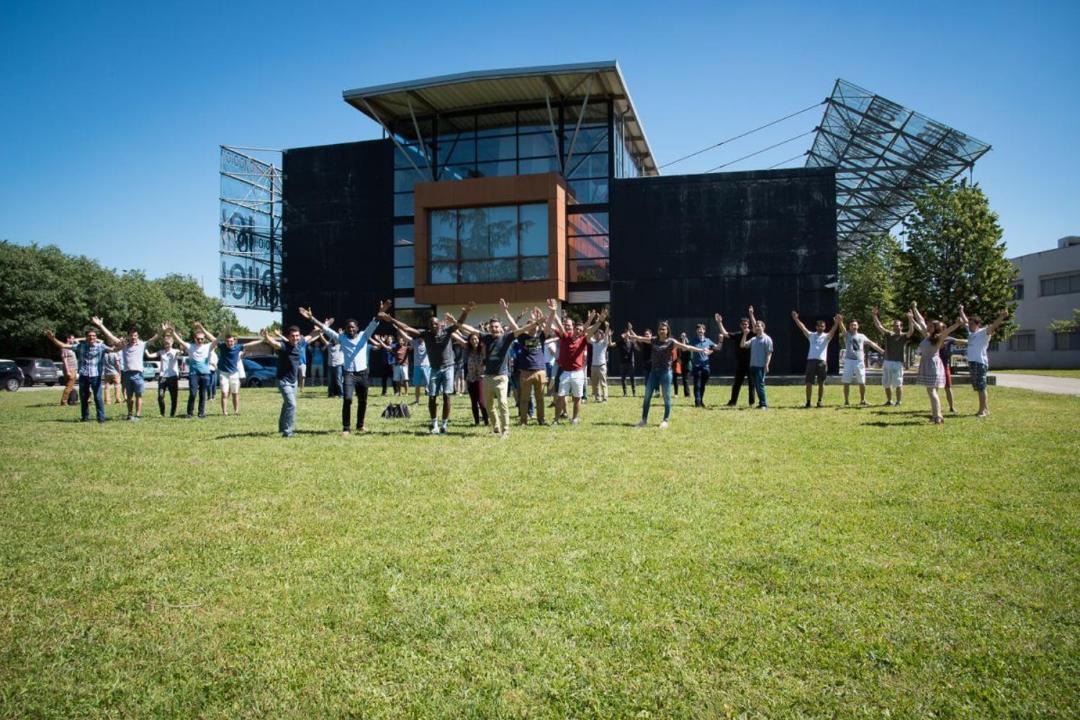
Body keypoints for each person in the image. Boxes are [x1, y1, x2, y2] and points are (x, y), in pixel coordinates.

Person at [383, 303, 473, 434]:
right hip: (434, 369)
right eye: (431, 324)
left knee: (447, 395)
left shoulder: (447, 332)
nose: (433, 326)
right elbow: (407, 328)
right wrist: (391, 319)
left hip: (448, 367)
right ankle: (434, 424)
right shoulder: (426, 335)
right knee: (432, 396)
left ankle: (444, 425)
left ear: (440, 325)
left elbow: (458, 324)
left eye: (435, 323)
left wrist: (466, 312)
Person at [301, 304, 388, 436]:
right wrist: (312, 318)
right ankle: (346, 428)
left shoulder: (364, 336)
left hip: (363, 373)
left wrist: (381, 312)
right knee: (347, 399)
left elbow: (374, 323)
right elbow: (326, 329)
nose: (351, 329)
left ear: (357, 328)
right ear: (346, 329)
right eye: (348, 327)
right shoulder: (341, 338)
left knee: (363, 400)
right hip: (349, 374)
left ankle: (360, 425)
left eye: (353, 327)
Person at [625, 321, 710, 427]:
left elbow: (686, 347)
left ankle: (665, 420)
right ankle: (644, 420)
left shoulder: (671, 341)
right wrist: (630, 333)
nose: (661, 331)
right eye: (660, 329)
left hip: (666, 373)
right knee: (647, 396)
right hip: (653, 372)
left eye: (664, 329)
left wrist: (701, 350)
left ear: (667, 331)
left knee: (666, 397)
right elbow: (640, 338)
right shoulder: (654, 340)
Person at [545, 301, 607, 425]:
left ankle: (575, 418)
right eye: (577, 329)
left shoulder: (583, 339)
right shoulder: (565, 337)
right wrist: (553, 312)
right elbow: (558, 325)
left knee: (577, 398)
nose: (578, 331)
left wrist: (599, 321)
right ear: (573, 329)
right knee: (560, 397)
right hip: (565, 373)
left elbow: (592, 329)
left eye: (580, 330)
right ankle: (556, 419)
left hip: (578, 373)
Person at [92, 318, 160, 421]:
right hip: (127, 374)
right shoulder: (124, 345)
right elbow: (111, 337)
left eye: (135, 335)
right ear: (128, 336)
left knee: (139, 395)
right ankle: (130, 414)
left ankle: (137, 415)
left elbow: (154, 339)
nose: (133, 337)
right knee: (129, 397)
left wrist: (162, 331)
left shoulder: (142, 344)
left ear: (138, 336)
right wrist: (101, 325)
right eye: (132, 335)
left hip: (138, 374)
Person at [45, 324, 109, 422]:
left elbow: (114, 349)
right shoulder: (80, 346)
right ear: (86, 337)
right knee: (84, 397)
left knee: (98, 397)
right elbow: (63, 345)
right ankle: (85, 417)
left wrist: (123, 344)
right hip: (84, 375)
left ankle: (101, 418)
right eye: (90, 336)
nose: (92, 337)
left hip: (96, 375)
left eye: (94, 336)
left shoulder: (101, 346)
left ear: (96, 337)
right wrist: (53, 339)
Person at [912, 310, 965, 424]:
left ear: (935, 328)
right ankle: (936, 414)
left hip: (932, 364)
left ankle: (937, 417)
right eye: (928, 325)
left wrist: (957, 324)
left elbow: (948, 331)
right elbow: (920, 322)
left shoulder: (939, 337)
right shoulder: (927, 336)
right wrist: (913, 314)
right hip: (928, 364)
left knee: (931, 391)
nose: (928, 326)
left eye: (931, 326)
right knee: (933, 391)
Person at [959, 304, 1010, 418]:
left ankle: (982, 411)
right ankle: (986, 409)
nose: (969, 325)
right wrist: (961, 310)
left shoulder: (983, 332)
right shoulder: (971, 333)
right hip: (973, 362)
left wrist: (1002, 317)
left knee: (981, 388)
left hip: (979, 363)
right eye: (970, 323)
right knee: (978, 387)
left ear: (978, 324)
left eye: (972, 323)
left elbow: (993, 326)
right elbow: (964, 320)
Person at [260, 326, 305, 437]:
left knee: (287, 405)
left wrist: (323, 327)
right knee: (292, 404)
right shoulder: (284, 346)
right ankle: (288, 432)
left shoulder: (299, 344)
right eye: (293, 336)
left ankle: (281, 427)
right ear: (288, 337)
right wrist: (266, 336)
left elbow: (311, 336)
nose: (295, 338)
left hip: (293, 382)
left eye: (297, 336)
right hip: (283, 381)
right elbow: (275, 344)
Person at [789, 311, 838, 408]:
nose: (821, 328)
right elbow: (802, 327)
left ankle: (820, 401)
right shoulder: (811, 335)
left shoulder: (826, 336)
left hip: (822, 362)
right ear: (816, 327)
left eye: (823, 326)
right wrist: (796, 319)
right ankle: (808, 402)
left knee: (821, 383)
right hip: (811, 361)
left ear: (824, 327)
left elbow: (833, 331)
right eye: (819, 326)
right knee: (808, 383)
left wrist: (837, 323)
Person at [169, 321, 214, 419]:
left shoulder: (207, 347)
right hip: (194, 374)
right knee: (193, 393)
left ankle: (201, 413)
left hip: (205, 374)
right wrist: (173, 333)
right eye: (198, 339)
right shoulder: (190, 346)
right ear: (195, 339)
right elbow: (180, 341)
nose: (200, 341)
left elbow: (215, 340)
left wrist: (202, 328)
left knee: (203, 395)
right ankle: (189, 413)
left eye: (202, 339)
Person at [872, 307, 915, 407]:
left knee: (898, 383)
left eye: (898, 325)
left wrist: (910, 319)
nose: (896, 327)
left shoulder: (904, 336)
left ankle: (898, 401)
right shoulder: (888, 334)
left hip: (898, 363)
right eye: (894, 325)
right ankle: (889, 401)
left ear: (901, 327)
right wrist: (874, 315)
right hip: (887, 362)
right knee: (886, 383)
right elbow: (879, 326)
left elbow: (911, 331)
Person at [837, 317, 885, 407]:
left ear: (858, 326)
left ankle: (862, 400)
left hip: (859, 362)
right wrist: (840, 322)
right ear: (849, 327)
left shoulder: (862, 336)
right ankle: (846, 401)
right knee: (846, 382)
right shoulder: (847, 335)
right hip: (849, 361)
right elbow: (842, 328)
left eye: (855, 325)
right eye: (852, 325)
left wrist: (882, 351)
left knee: (862, 382)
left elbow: (871, 343)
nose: (853, 326)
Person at [514, 311, 549, 426]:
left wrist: (550, 313)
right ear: (527, 328)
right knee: (524, 399)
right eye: (530, 326)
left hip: (540, 371)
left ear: (537, 327)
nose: (532, 328)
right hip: (525, 373)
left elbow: (548, 325)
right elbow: (513, 325)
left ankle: (541, 419)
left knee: (540, 399)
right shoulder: (522, 337)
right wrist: (508, 313)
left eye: (535, 326)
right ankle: (523, 421)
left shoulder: (541, 336)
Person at [216, 332, 262, 416]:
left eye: (231, 341)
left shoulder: (238, 347)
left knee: (235, 393)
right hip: (224, 373)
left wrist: (262, 340)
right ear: (225, 341)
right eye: (227, 341)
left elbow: (250, 344)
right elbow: (212, 339)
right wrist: (202, 329)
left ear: (234, 341)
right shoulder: (222, 346)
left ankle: (236, 411)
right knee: (224, 393)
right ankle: (224, 412)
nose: (229, 343)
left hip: (234, 373)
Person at [740, 311, 773, 410]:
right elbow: (742, 345)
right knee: (756, 386)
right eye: (756, 326)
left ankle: (764, 404)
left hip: (760, 366)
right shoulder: (754, 339)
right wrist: (745, 334)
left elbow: (769, 353)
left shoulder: (767, 339)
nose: (757, 327)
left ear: (763, 327)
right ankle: (761, 403)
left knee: (760, 385)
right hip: (752, 366)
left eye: (759, 326)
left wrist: (766, 365)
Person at [688, 316, 724, 407]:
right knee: (697, 385)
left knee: (703, 385)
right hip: (696, 366)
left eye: (702, 329)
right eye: (698, 329)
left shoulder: (708, 341)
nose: (700, 331)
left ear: (704, 331)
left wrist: (720, 340)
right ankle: (698, 402)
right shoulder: (693, 341)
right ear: (696, 331)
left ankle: (701, 400)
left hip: (706, 367)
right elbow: (686, 347)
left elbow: (718, 348)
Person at [725, 315, 757, 407]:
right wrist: (719, 322)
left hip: (751, 363)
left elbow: (755, 327)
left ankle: (752, 403)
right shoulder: (738, 334)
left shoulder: (752, 334)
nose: (745, 326)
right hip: (741, 363)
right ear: (740, 325)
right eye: (743, 324)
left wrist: (751, 314)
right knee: (737, 383)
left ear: (749, 325)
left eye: (746, 324)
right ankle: (733, 402)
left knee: (752, 383)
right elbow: (725, 334)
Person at [146, 334, 181, 417]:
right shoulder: (161, 352)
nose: (166, 345)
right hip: (162, 377)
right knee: (160, 396)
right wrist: (144, 349)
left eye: (168, 343)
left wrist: (180, 351)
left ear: (172, 343)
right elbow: (149, 356)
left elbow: (179, 353)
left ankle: (172, 414)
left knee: (173, 397)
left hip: (173, 376)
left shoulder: (175, 351)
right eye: (165, 343)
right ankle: (162, 413)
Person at [589, 322, 611, 402]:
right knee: (595, 384)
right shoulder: (593, 342)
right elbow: (588, 335)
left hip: (601, 366)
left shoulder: (604, 343)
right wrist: (595, 322)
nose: (597, 335)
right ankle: (597, 398)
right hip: (593, 366)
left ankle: (605, 398)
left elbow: (606, 335)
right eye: (596, 334)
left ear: (602, 336)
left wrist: (607, 327)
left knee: (603, 383)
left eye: (599, 334)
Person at [57, 333, 78, 406]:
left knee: (71, 386)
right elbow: (64, 360)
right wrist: (68, 371)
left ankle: (71, 400)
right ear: (68, 339)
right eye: (72, 338)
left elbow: (78, 343)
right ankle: (64, 401)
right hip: (70, 369)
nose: (73, 340)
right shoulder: (64, 348)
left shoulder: (70, 347)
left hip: (73, 369)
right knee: (69, 386)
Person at [410, 334, 430, 406]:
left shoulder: (428, 343)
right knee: (417, 385)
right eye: (418, 337)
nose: (419, 338)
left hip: (426, 366)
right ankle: (417, 401)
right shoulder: (414, 342)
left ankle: (431, 401)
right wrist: (398, 328)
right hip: (417, 367)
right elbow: (405, 337)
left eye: (420, 337)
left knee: (429, 384)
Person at [617, 326, 637, 396]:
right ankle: (625, 393)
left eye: (627, 333)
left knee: (632, 378)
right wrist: (610, 336)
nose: (626, 335)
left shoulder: (632, 342)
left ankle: (634, 392)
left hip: (630, 362)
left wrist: (631, 330)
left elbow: (638, 347)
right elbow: (611, 345)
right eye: (625, 333)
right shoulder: (620, 342)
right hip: (622, 363)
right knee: (623, 378)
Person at [327, 332, 345, 398]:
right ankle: (330, 394)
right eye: (333, 339)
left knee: (338, 381)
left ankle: (341, 394)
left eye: (335, 339)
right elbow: (324, 341)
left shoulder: (341, 345)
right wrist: (320, 335)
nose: (334, 340)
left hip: (338, 366)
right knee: (330, 381)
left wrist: (340, 334)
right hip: (330, 366)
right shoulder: (329, 345)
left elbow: (343, 340)